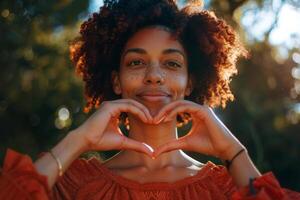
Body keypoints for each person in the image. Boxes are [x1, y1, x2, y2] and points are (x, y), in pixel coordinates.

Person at [1, 0, 299, 199]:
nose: (154, 76)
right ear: (116, 81)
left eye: (171, 64)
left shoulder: (226, 189)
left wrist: (234, 152)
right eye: (135, 63)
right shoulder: (73, 185)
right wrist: (77, 140)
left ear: (189, 82)